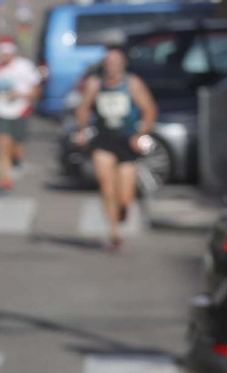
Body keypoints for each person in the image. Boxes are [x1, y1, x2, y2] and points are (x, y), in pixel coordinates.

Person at [73, 41, 157, 250]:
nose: (111, 66)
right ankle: (114, 233)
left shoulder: (132, 83)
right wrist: (82, 131)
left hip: (127, 141)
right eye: (108, 62)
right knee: (106, 186)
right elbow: (83, 109)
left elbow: (150, 109)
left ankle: (123, 209)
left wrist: (141, 134)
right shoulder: (95, 83)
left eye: (116, 62)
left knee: (126, 195)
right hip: (104, 139)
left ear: (123, 64)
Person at [0, 39, 39, 192]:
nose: (2, 57)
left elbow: (36, 90)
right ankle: (5, 181)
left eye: (5, 54)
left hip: (21, 110)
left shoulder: (25, 66)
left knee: (17, 148)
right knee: (3, 145)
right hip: (2, 112)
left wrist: (21, 95)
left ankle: (16, 160)